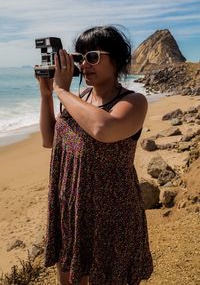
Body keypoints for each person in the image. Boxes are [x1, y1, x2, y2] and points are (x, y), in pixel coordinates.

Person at [37, 25, 153, 285]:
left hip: (110, 215)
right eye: (80, 58)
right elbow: (49, 140)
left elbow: (104, 128)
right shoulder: (81, 98)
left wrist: (62, 91)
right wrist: (46, 95)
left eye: (93, 57)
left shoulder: (134, 102)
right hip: (71, 209)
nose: (84, 65)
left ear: (117, 60)